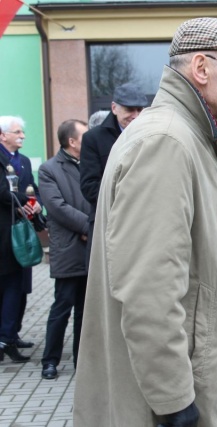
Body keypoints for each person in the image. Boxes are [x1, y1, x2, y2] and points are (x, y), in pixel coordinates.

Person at [73, 17, 217, 427]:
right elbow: (149, 288)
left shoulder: (187, 136)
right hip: (173, 398)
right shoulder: (167, 141)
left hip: (192, 378)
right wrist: (174, 402)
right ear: (201, 68)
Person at [39, 119, 91, 380]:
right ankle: (50, 361)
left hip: (90, 246)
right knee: (62, 307)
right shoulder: (49, 169)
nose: (89, 140)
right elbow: (56, 207)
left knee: (85, 311)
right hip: (69, 247)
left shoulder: (90, 163)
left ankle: (82, 361)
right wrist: (89, 226)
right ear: (72, 142)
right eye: (84, 136)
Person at [79, 82, 149, 262]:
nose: (135, 115)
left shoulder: (152, 135)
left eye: (140, 109)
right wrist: (130, 199)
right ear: (114, 108)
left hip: (145, 225)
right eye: (129, 109)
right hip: (108, 224)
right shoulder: (93, 139)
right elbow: (89, 187)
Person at [0, 115, 41, 358]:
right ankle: (5, 340)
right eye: (17, 132)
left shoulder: (23, 161)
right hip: (4, 235)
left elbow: (32, 189)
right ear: (2, 135)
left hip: (22, 234)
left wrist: (36, 204)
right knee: (9, 287)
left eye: (22, 132)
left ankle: (11, 335)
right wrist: (24, 202)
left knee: (20, 288)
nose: (22, 136)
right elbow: (3, 192)